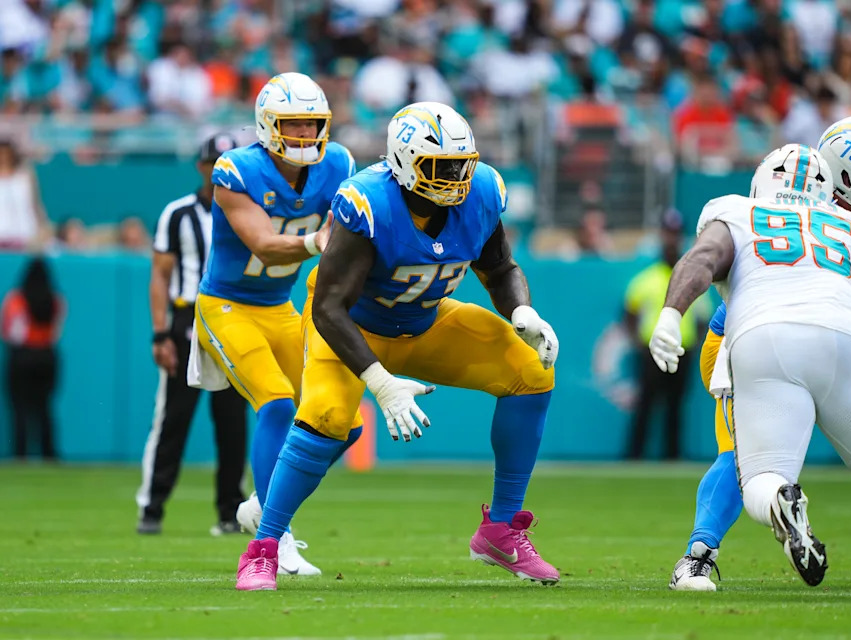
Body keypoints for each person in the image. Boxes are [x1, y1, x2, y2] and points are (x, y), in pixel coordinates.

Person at [233, 102, 559, 591]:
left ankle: (500, 530)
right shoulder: (368, 202)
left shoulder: (483, 192)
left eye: (461, 164)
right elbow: (328, 308)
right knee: (325, 418)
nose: (454, 177)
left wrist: (522, 312)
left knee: (531, 372)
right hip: (350, 331)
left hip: (425, 324)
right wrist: (380, 384)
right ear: (405, 163)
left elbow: (500, 269)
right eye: (440, 166)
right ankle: (263, 548)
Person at [652, 143, 851, 599]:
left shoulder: (736, 210)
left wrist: (671, 314)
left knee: (757, 469)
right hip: (836, 341)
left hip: (764, 338)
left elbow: (701, 259)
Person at [188, 72, 356, 576]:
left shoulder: (340, 164)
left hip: (280, 308)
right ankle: (274, 535)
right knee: (279, 406)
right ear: (267, 126)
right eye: (293, 126)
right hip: (226, 306)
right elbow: (263, 242)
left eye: (312, 126)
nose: (305, 136)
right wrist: (317, 243)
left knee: (339, 422)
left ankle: (264, 504)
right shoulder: (235, 170)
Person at [136, 134, 249, 536]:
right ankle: (152, 506)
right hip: (187, 320)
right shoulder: (178, 213)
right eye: (212, 161)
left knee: (232, 423)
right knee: (173, 418)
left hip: (233, 319)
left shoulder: (250, 210)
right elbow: (160, 275)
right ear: (201, 167)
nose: (218, 168)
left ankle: (230, 512)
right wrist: (160, 332)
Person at [623, 209, 709, 460]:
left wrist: (695, 345)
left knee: (675, 406)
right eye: (668, 234)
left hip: (683, 350)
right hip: (651, 350)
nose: (671, 241)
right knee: (645, 405)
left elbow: (704, 316)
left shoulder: (691, 278)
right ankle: (634, 456)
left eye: (675, 234)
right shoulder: (647, 278)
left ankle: (673, 457)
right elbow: (630, 311)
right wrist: (638, 343)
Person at [1, 258, 64, 460]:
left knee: (20, 407)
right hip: (47, 356)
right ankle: (48, 453)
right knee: (44, 407)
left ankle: (21, 453)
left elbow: (11, 332)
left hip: (22, 357)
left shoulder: (16, 300)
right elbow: (56, 333)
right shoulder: (55, 300)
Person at [0, 138, 50, 250]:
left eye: (6, 154)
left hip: (24, 233)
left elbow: (35, 203)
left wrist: (43, 225)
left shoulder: (25, 176)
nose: (3, 157)